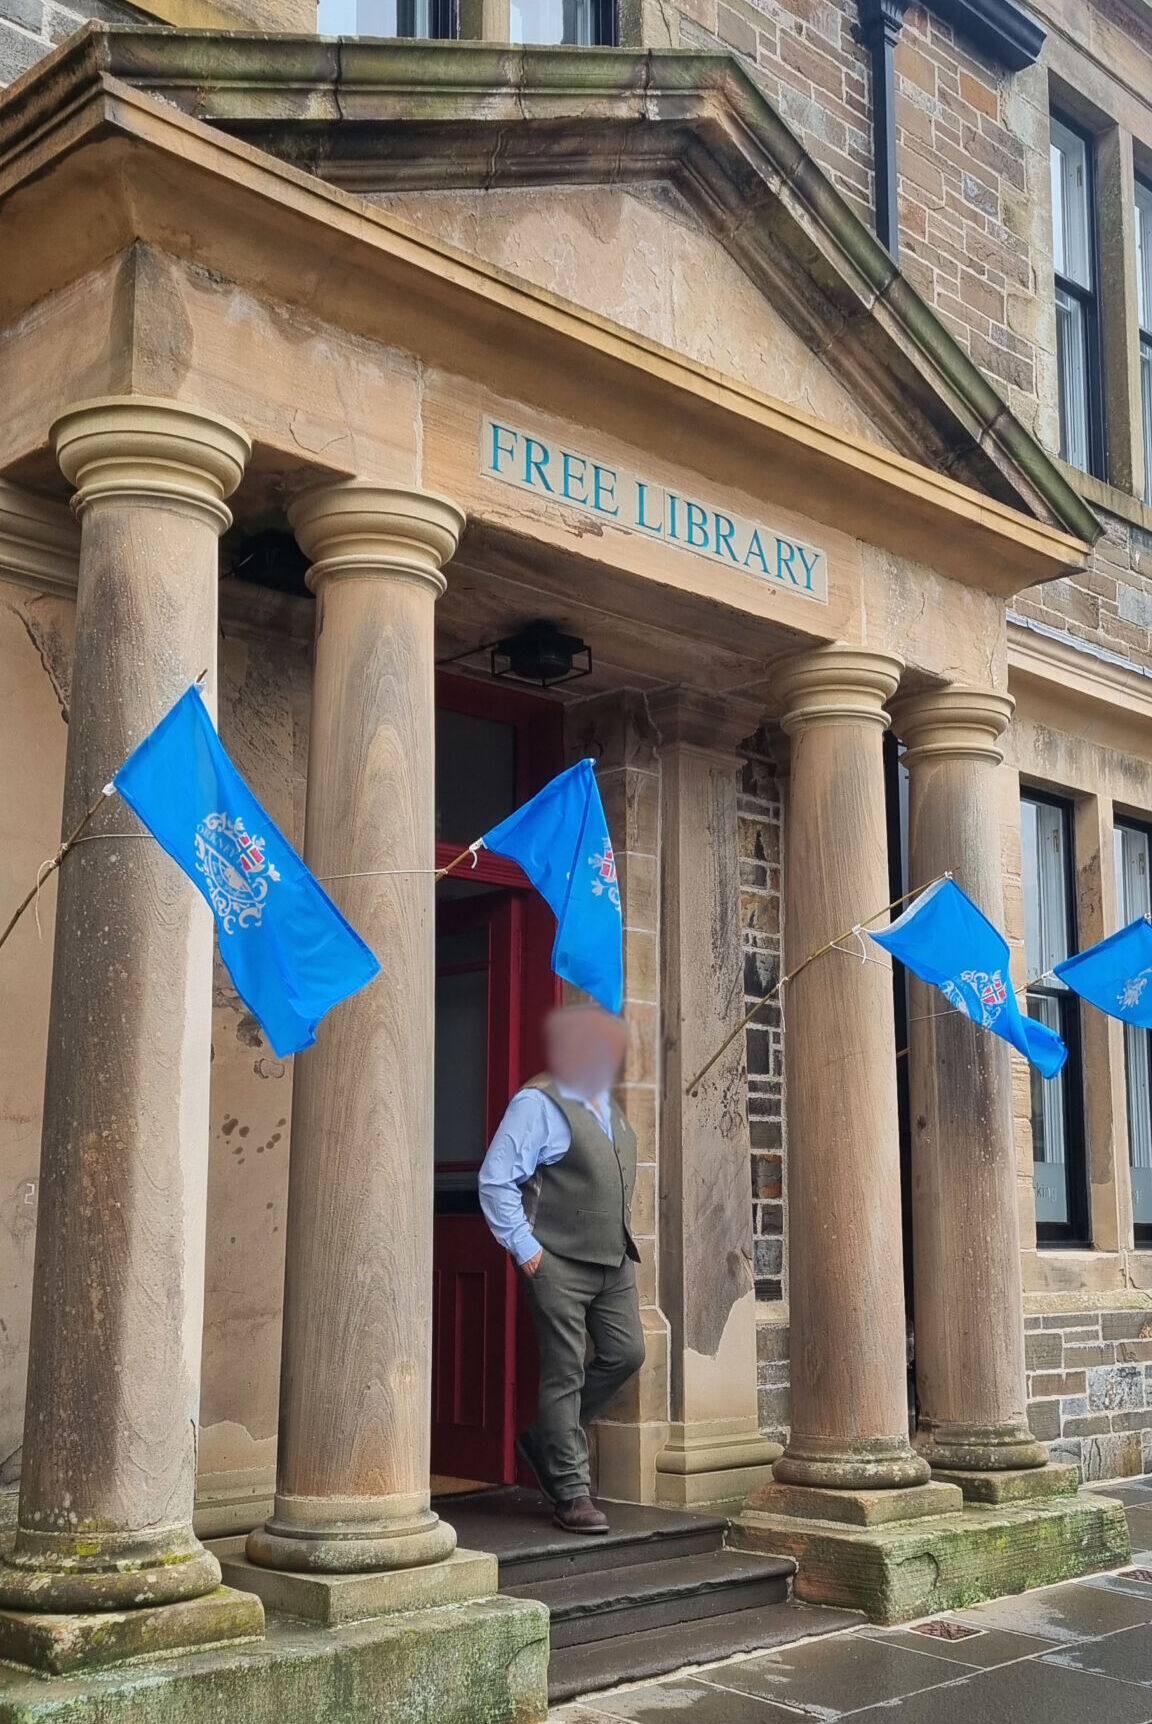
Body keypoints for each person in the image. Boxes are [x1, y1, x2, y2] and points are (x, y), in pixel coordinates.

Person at [478, 1004, 645, 1534]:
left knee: (626, 1354)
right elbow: (496, 1180)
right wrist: (528, 1250)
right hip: (558, 1262)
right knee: (564, 1372)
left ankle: (544, 1440)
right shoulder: (539, 1102)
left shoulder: (609, 1107)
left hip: (614, 1261)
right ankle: (571, 1491)